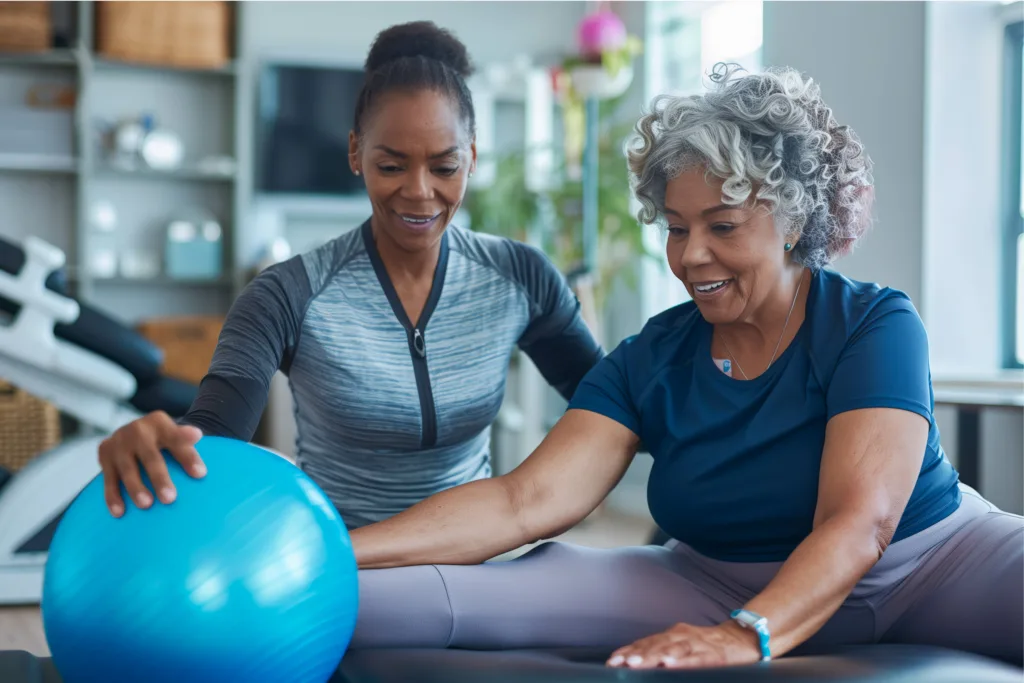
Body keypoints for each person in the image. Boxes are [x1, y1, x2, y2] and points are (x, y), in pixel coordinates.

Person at [344, 64, 1024, 669]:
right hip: (712, 578)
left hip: (933, 562)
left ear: (790, 220)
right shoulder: (653, 358)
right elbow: (524, 501)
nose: (691, 255)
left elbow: (862, 522)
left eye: (722, 226)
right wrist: (335, 549)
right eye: (675, 227)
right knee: (374, 604)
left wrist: (744, 634)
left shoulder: (873, 324)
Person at [96, 21, 604, 529]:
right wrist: (164, 443)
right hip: (342, 566)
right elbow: (215, 431)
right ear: (356, 153)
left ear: (471, 157)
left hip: (471, 560)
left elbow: (616, 406)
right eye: (391, 166)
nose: (419, 192)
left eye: (444, 167)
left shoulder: (521, 277)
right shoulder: (286, 293)